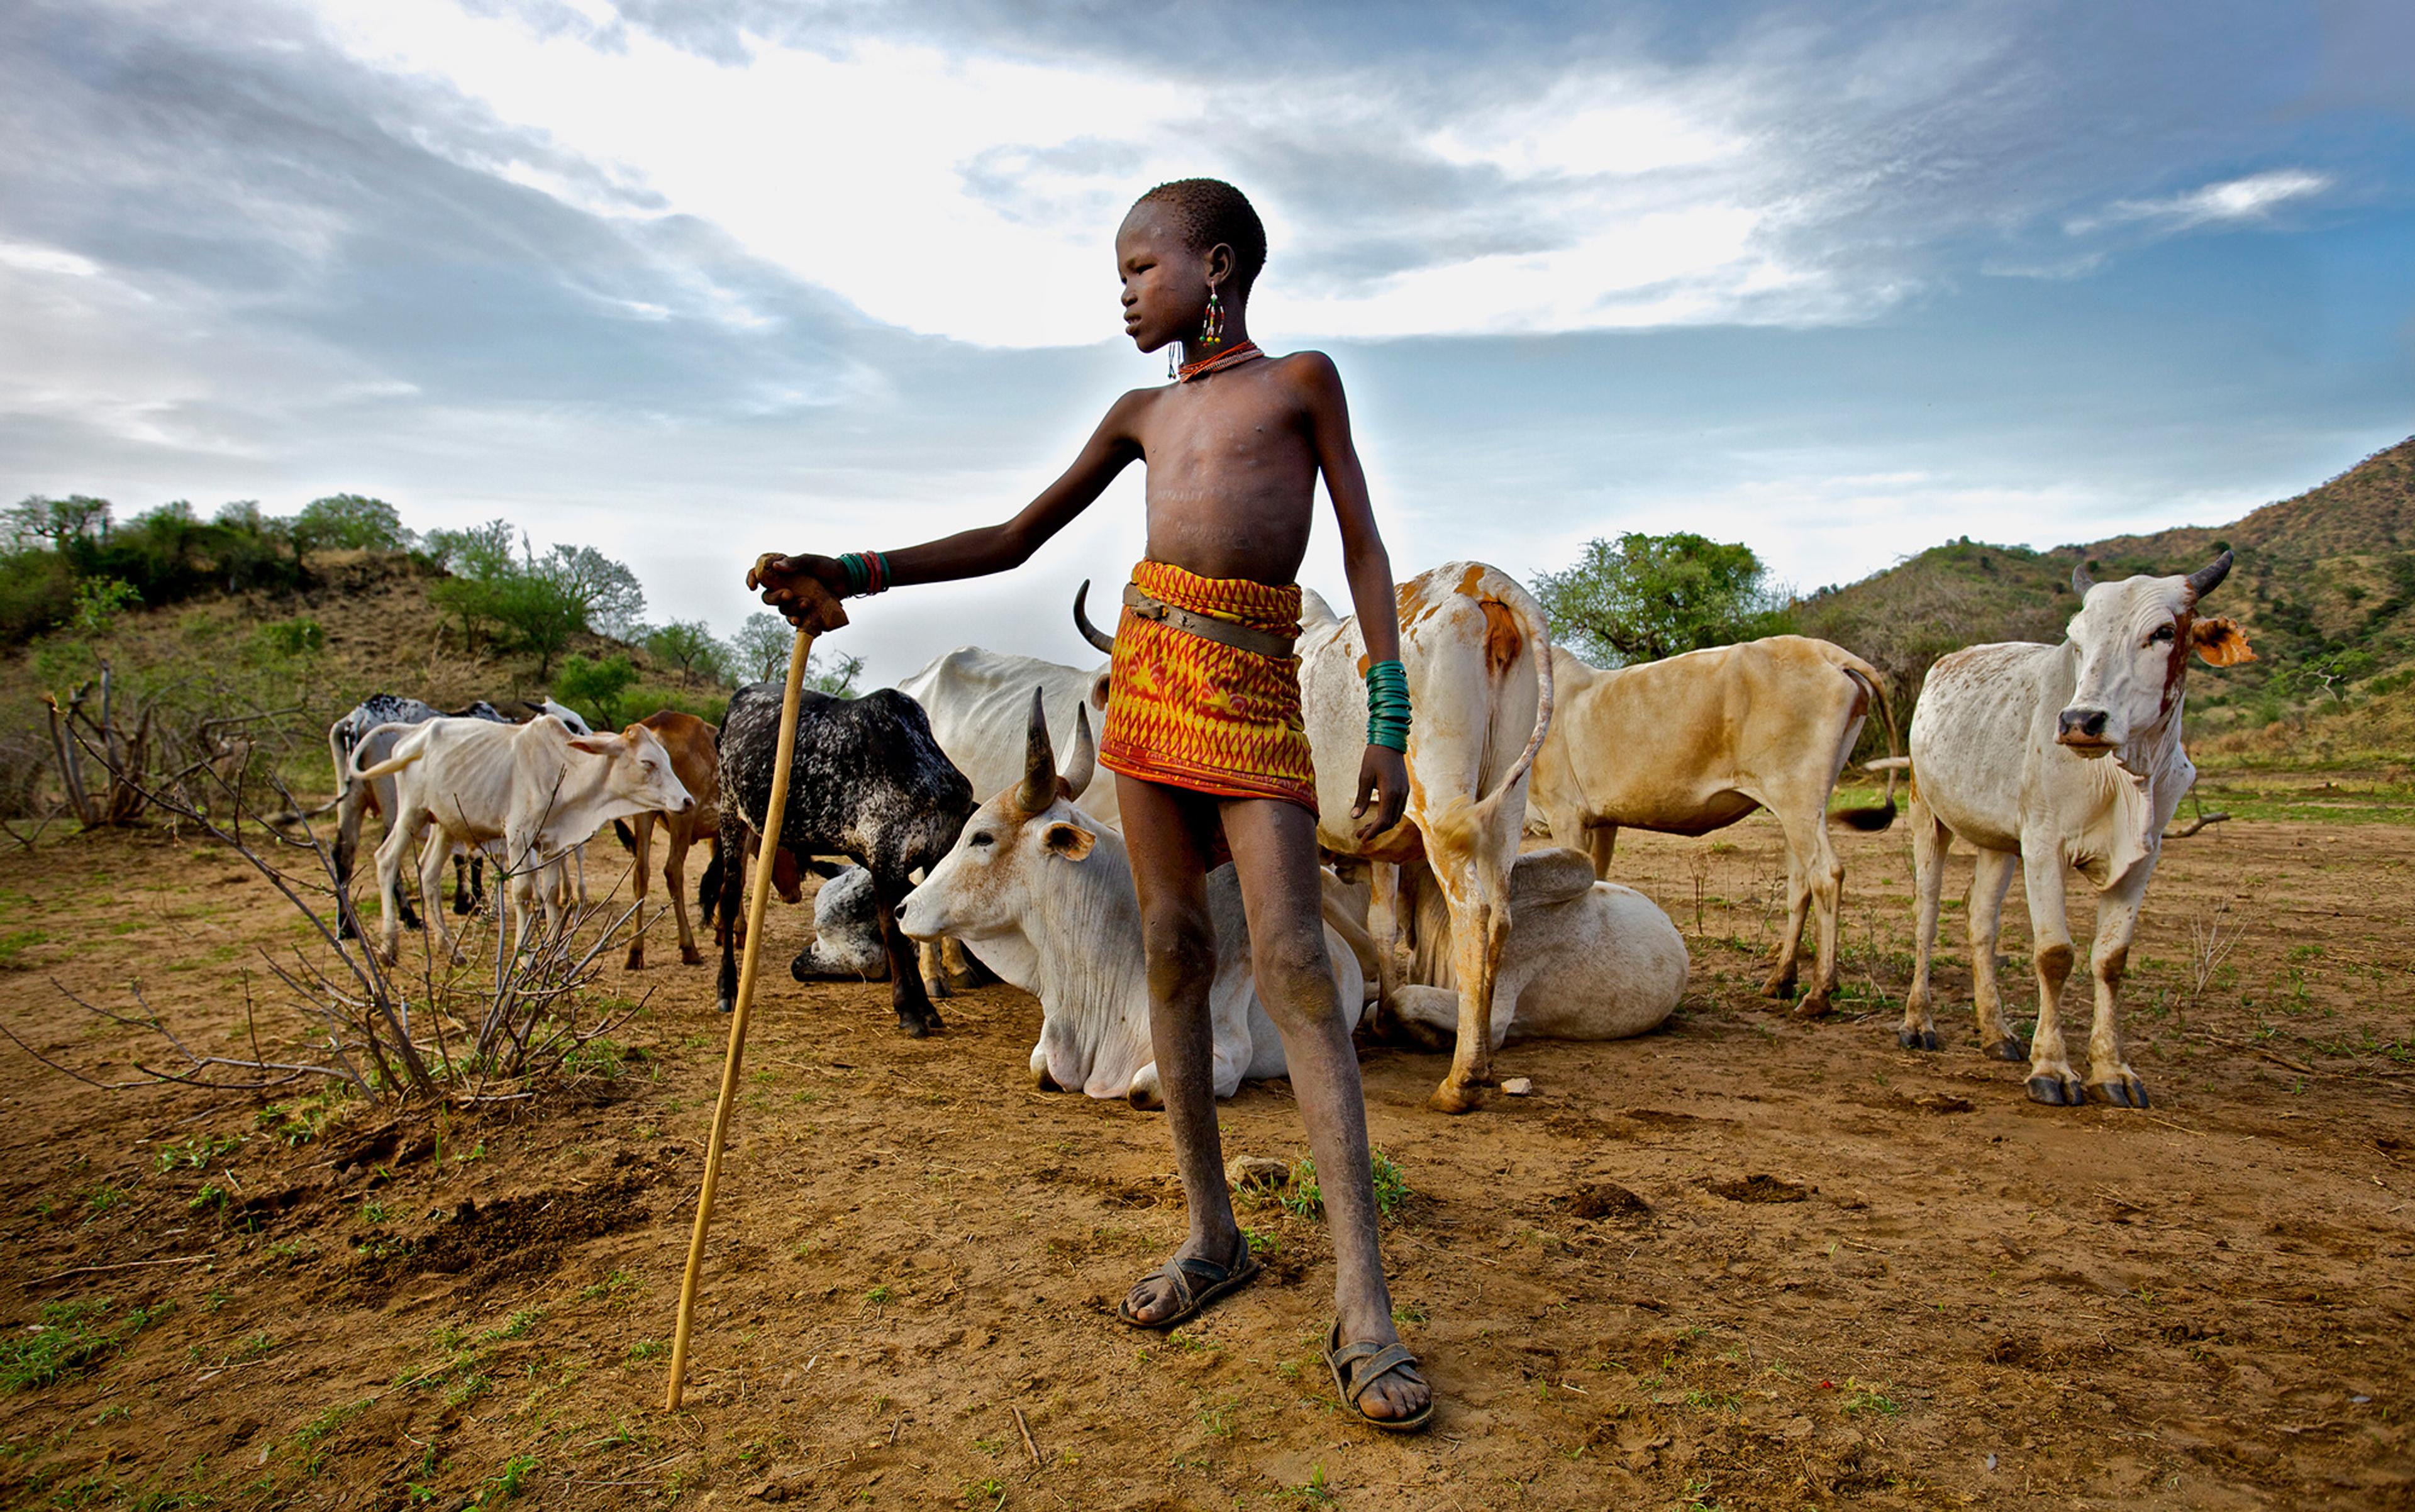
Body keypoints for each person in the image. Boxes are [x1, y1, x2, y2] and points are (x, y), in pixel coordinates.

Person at [749, 178, 1431, 1431]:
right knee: (1171, 950)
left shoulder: (1300, 385)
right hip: (1153, 687)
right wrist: (852, 570)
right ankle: (1211, 1233)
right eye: (1118, 273)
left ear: (1214, 266)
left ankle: (1365, 1301)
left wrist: (1388, 709)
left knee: (1293, 960)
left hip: (1254, 684)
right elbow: (1015, 536)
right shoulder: (1139, 414)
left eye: (1139, 267)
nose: (1121, 291)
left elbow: (1363, 548)